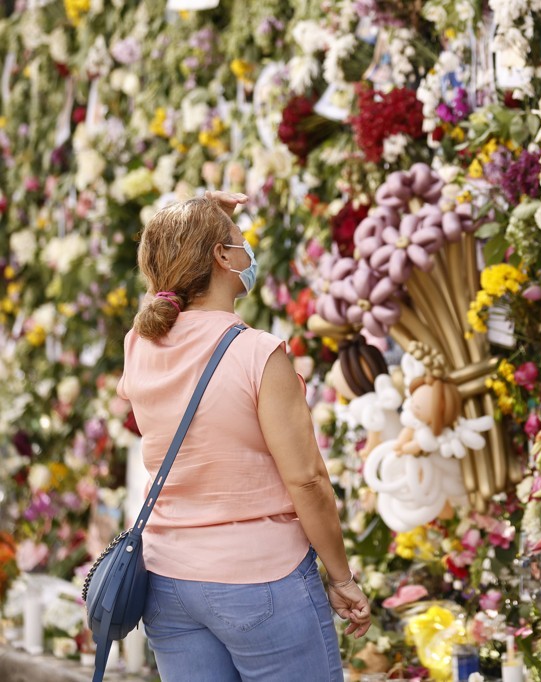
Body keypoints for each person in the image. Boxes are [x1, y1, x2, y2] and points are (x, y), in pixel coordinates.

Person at [117, 192, 370, 681]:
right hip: (261, 580)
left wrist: (193, 216)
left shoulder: (140, 345)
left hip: (169, 583)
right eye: (239, 242)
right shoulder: (258, 354)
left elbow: (163, 285)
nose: (247, 249)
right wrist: (341, 578)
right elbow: (309, 482)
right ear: (222, 257)